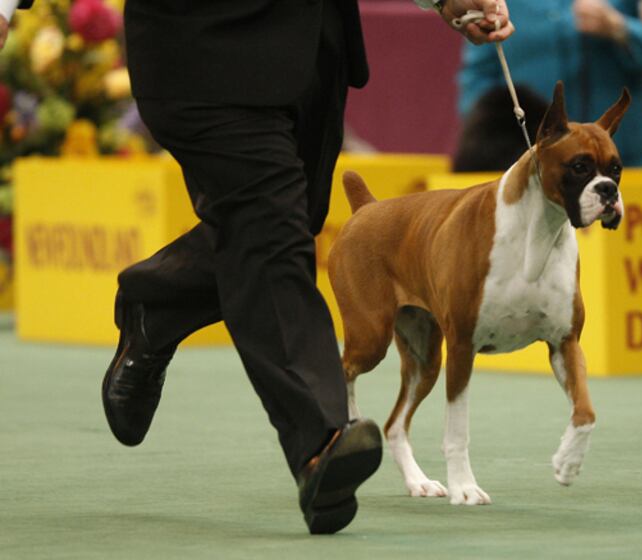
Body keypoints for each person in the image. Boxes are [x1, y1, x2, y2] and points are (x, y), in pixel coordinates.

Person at [0, 0, 513, 535]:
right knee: (270, 232)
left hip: (311, 48)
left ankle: (157, 304)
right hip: (199, 46)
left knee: (292, 218)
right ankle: (321, 441)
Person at [458, 0, 642, 167]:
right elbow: (477, 80)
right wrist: (499, 144)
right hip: (537, 166)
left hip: (626, 158)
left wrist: (620, 28)